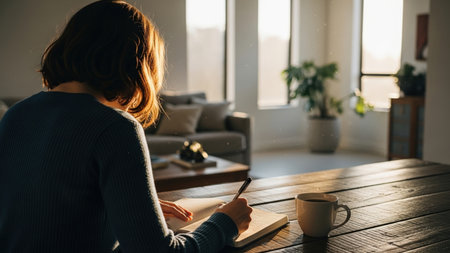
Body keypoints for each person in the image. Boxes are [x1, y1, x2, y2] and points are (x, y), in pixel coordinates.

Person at [0, 1, 252, 252]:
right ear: (138, 65)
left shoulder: (15, 116)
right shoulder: (115, 128)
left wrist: (127, 209)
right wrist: (225, 223)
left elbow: (47, 216)